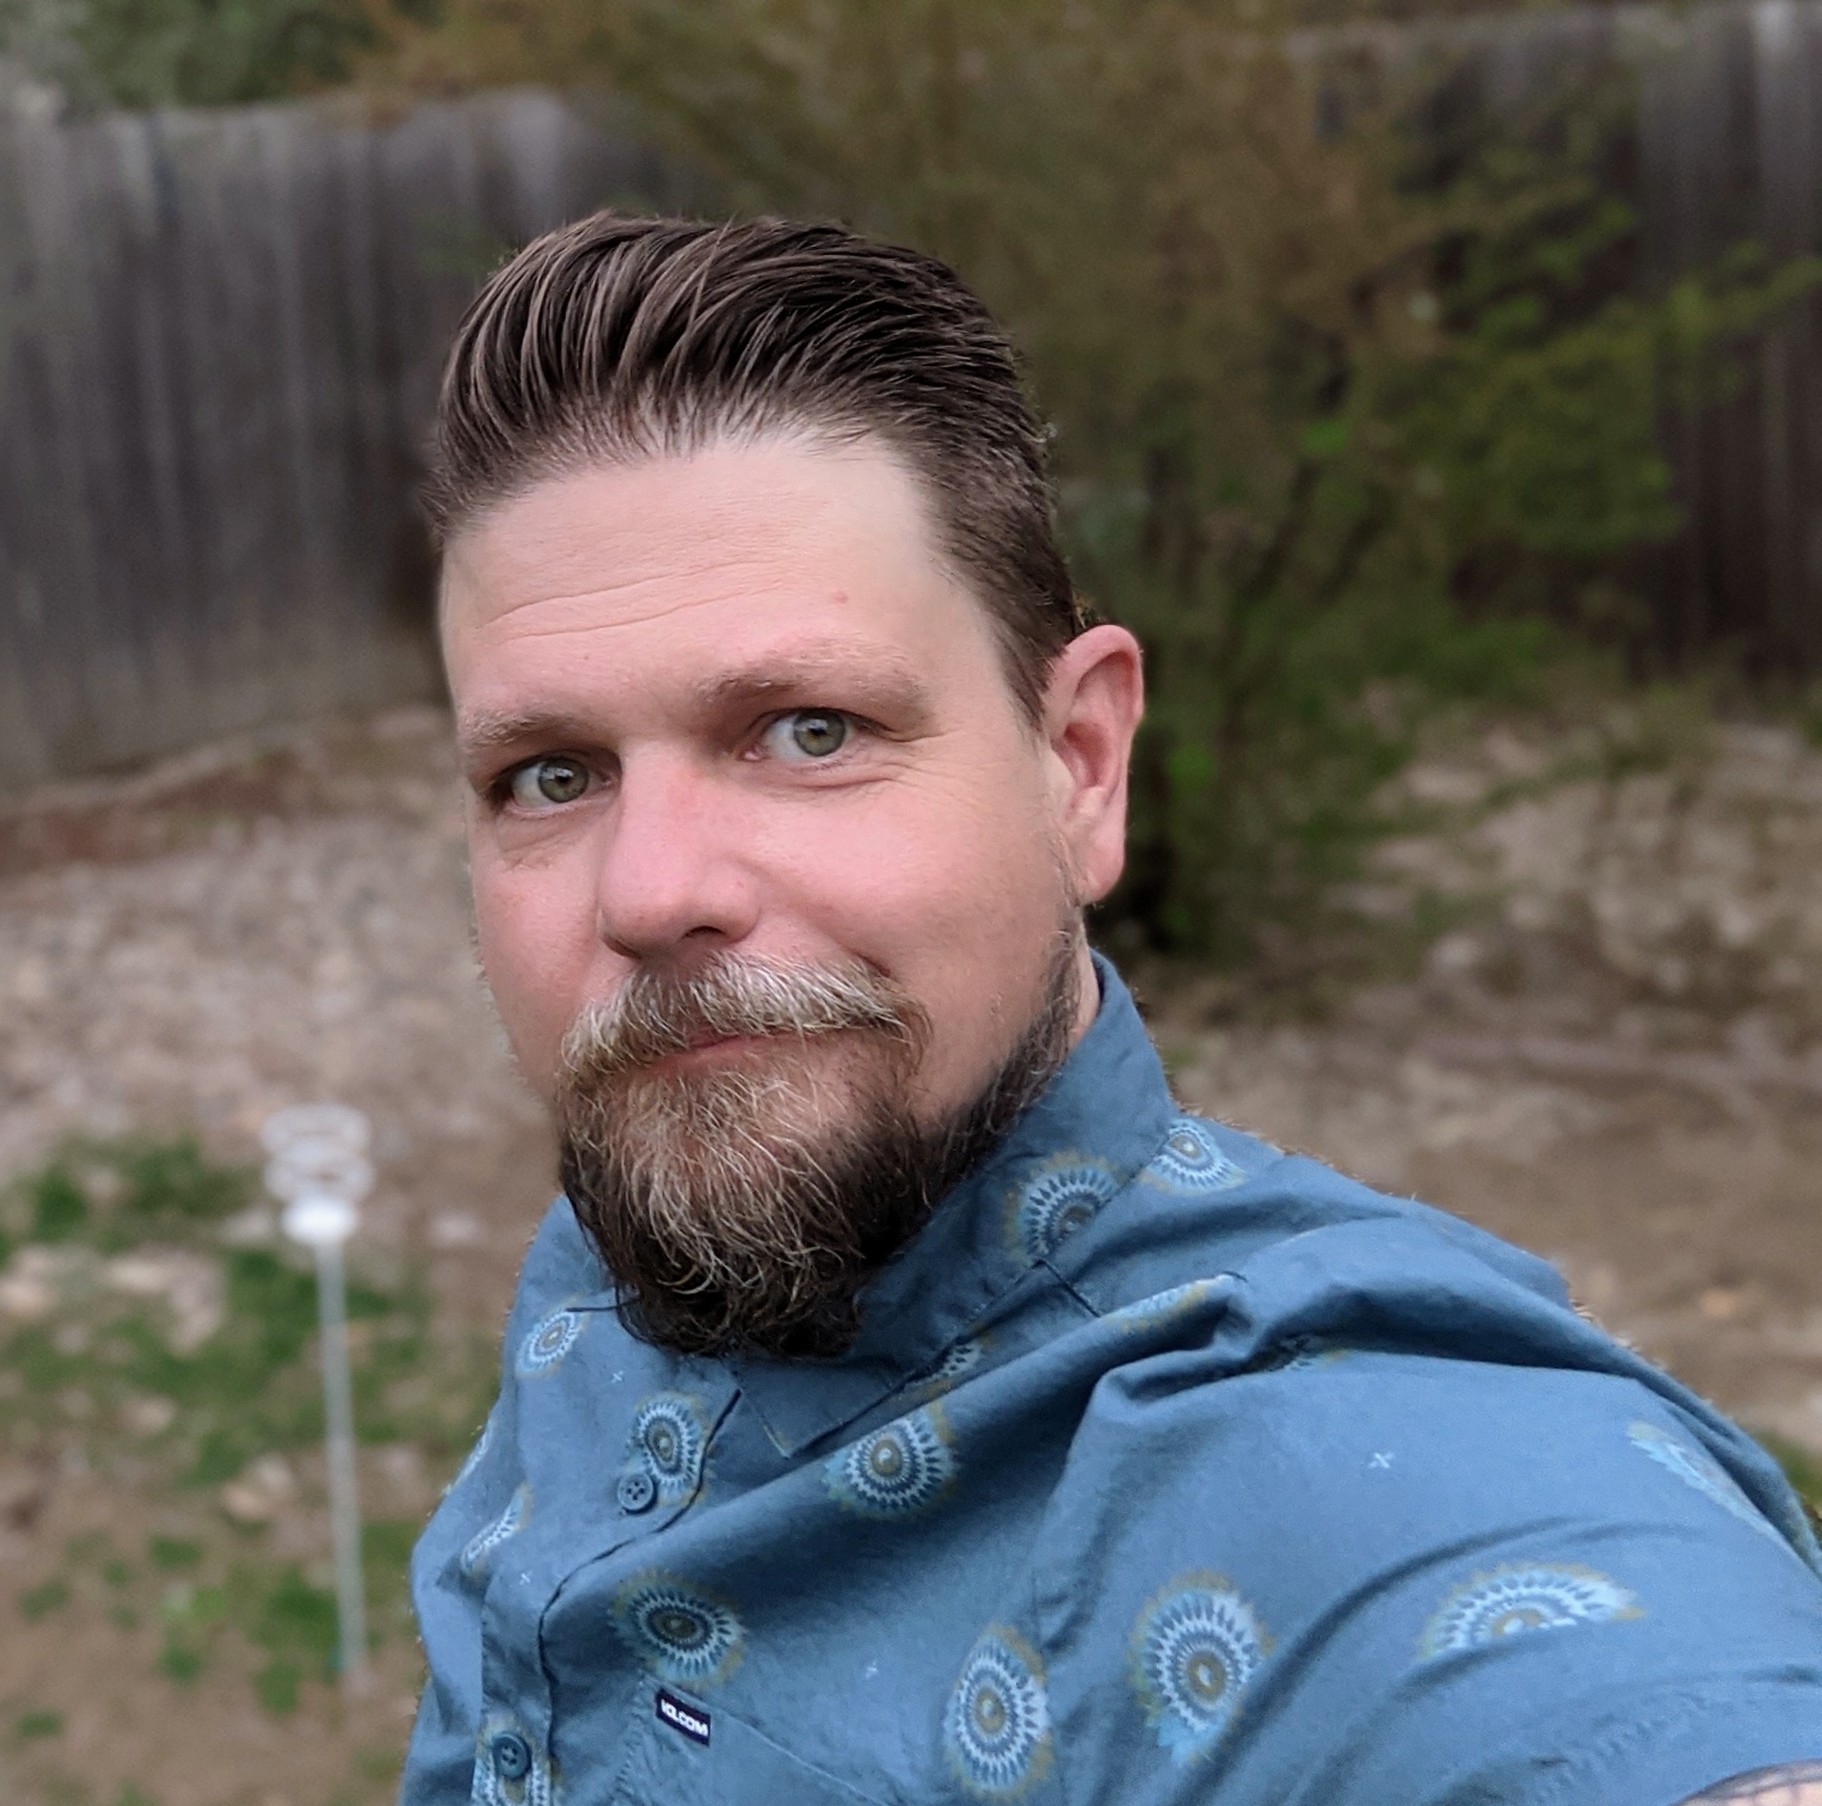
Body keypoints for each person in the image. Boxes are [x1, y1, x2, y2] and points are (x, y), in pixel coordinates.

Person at [402, 213, 1822, 1806]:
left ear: (1079, 763)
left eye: (808, 730)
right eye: (549, 775)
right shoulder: (654, 1213)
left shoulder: (1356, 1470)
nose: (649, 890)